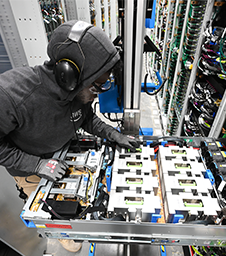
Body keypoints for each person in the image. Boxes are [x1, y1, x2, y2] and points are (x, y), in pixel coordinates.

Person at [0, 20, 139, 252]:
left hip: (62, 153)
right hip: (31, 168)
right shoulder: (12, 95)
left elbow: (85, 118)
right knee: (60, 214)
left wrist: (112, 134)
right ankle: (62, 233)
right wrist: (37, 164)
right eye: (96, 86)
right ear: (68, 75)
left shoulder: (77, 93)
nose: (96, 95)